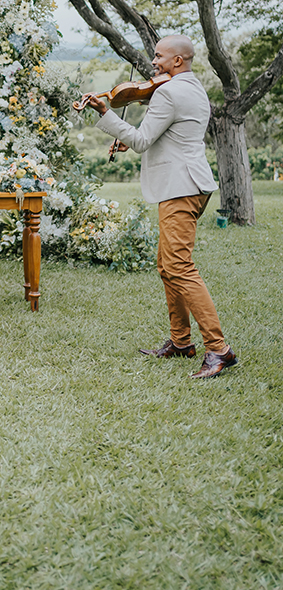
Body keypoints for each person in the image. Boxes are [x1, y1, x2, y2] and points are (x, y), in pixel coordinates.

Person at [85, 35, 238, 380]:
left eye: (159, 56)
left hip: (180, 188)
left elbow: (141, 141)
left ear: (178, 61)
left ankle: (219, 349)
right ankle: (181, 342)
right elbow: (171, 135)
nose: (153, 62)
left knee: (179, 267)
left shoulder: (167, 92)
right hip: (190, 183)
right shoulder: (192, 87)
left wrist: (106, 113)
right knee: (168, 266)